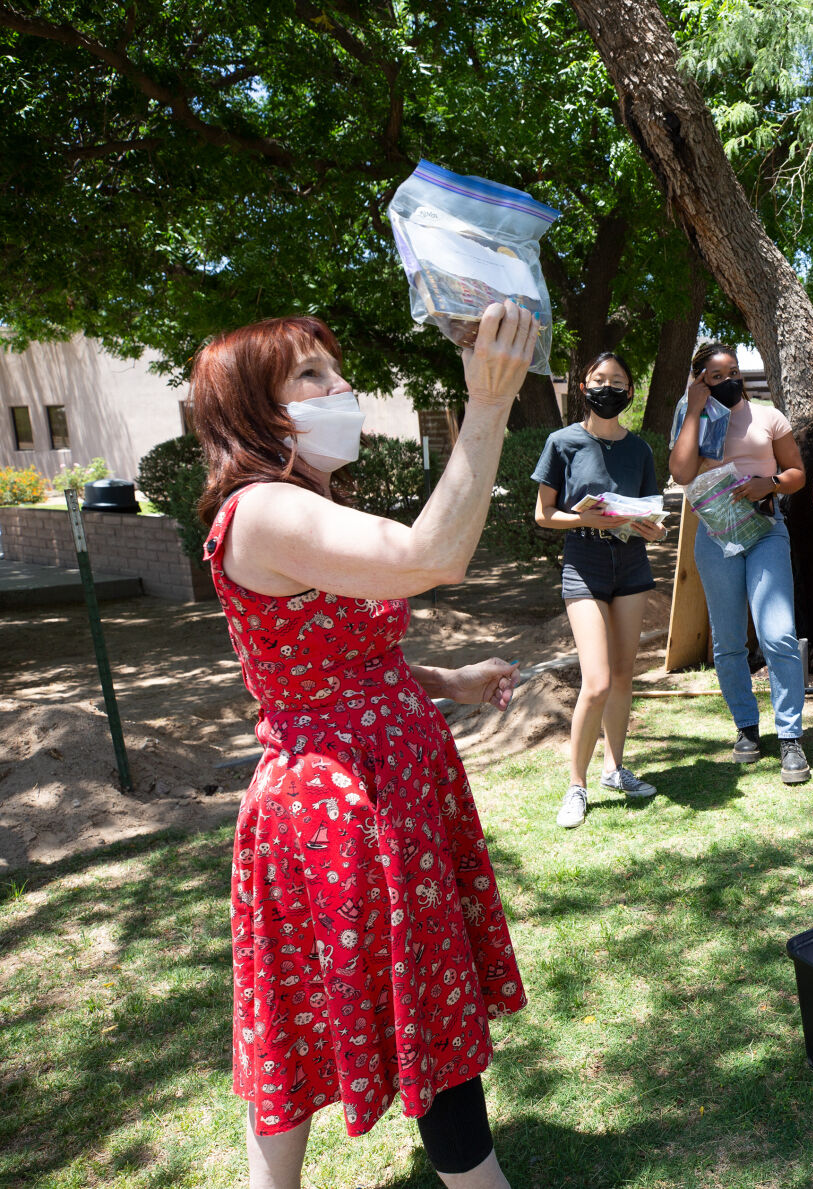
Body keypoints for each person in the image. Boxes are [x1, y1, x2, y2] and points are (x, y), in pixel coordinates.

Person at [193, 306, 536, 1189]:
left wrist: (449, 681)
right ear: (251, 410)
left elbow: (341, 667)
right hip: (338, 812)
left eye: (331, 368)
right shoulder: (261, 510)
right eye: (309, 375)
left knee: (362, 1010)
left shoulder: (306, 504)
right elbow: (430, 553)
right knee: (354, 1019)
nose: (338, 386)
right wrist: (490, 404)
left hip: (383, 790)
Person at [532, 352, 667, 827]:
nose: (607, 388)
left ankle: (614, 769)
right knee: (598, 682)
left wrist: (652, 528)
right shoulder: (562, 442)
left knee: (626, 674)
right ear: (584, 387)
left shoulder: (641, 450)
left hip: (630, 560)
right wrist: (583, 517)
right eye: (598, 380)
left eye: (617, 382)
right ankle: (576, 784)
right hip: (584, 562)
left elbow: (649, 510)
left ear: (630, 392)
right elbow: (543, 514)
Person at [669, 342, 811, 783]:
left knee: (778, 634)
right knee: (728, 640)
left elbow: (796, 474)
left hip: (765, 530)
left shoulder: (768, 416)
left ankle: (790, 737)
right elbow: (680, 473)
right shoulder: (689, 414)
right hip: (715, 538)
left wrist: (767, 484)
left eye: (734, 372)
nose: (729, 380)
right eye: (716, 375)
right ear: (699, 380)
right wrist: (694, 410)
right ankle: (747, 729)